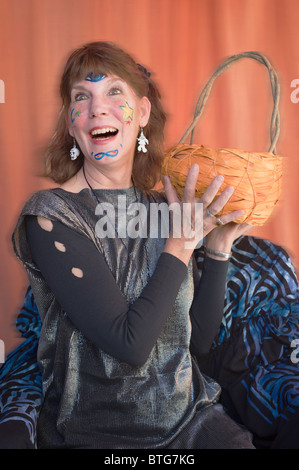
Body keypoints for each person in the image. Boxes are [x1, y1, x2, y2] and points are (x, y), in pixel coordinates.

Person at [8, 41, 256, 449]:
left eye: (114, 92)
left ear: (141, 113)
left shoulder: (164, 208)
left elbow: (198, 345)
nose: (97, 108)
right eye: (81, 97)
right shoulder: (52, 215)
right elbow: (130, 346)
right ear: (71, 124)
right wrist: (179, 246)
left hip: (190, 420)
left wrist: (217, 250)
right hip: (99, 434)